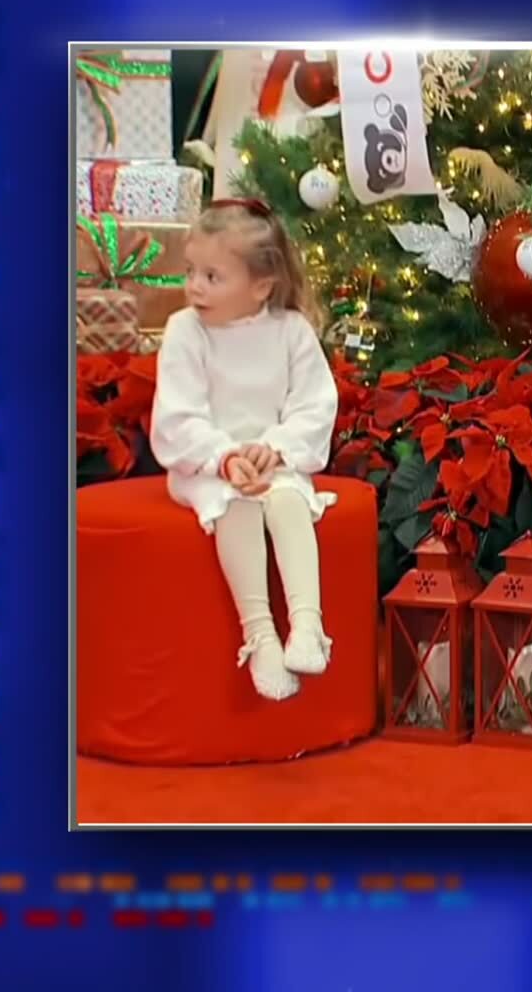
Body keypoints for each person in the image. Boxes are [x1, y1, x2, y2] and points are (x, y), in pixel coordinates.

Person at [150, 198, 340, 702]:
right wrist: (225, 458)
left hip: (273, 462)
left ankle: (307, 625)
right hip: (204, 466)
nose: (194, 286)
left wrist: (275, 449)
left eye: (212, 276)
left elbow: (314, 404)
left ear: (261, 285)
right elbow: (178, 413)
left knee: (287, 500)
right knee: (235, 503)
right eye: (191, 271)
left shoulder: (291, 331)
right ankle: (260, 636)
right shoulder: (185, 331)